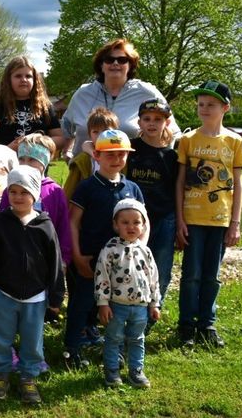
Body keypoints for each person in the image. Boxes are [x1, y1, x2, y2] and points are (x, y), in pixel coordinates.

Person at [176, 80, 242, 348]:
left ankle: (207, 324)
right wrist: (180, 220)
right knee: (191, 275)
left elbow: (238, 184)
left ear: (225, 107)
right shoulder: (187, 140)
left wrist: (235, 223)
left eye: (211, 105)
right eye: (201, 104)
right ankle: (186, 326)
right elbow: (180, 181)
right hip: (193, 220)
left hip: (220, 220)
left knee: (212, 276)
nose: (204, 109)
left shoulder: (234, 141)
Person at [0, 167, 64, 404]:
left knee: (32, 340)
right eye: (14, 191)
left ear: (35, 194)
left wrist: (56, 296)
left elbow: (55, 262)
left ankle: (28, 378)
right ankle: (1, 375)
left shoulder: (45, 225)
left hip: (35, 297)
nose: (18, 197)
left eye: (24, 192)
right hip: (1, 295)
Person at [65, 129, 145, 369]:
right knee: (82, 304)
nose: (116, 159)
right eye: (110, 154)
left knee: (116, 306)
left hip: (121, 264)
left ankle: (113, 349)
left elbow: (144, 222)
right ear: (97, 155)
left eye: (122, 154)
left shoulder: (132, 187)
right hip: (90, 259)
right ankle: (72, 349)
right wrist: (77, 256)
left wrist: (140, 249)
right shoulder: (88, 186)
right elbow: (73, 222)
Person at [61, 38, 179, 157]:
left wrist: (161, 160)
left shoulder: (147, 92)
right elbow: (65, 130)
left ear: (130, 65)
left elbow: (172, 131)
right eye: (109, 59)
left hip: (133, 171)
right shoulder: (83, 94)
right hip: (86, 171)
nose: (115, 63)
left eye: (122, 60)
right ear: (101, 65)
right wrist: (68, 153)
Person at [95, 199, 160, 389]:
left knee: (137, 339)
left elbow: (153, 278)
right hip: (117, 305)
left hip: (140, 306)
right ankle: (112, 371)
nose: (131, 226)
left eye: (136, 222)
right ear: (116, 225)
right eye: (125, 222)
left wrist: (154, 303)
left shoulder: (145, 251)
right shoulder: (110, 249)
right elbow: (102, 276)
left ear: (143, 225)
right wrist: (103, 303)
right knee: (113, 337)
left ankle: (136, 371)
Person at [125, 99, 178, 321]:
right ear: (139, 122)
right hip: (132, 219)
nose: (152, 123)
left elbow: (177, 190)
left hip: (164, 218)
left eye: (158, 119)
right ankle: (128, 314)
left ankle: (151, 314)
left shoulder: (171, 156)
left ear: (166, 122)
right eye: (147, 119)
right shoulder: (130, 148)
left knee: (160, 268)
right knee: (129, 268)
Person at [0, 134, 73, 271]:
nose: (26, 164)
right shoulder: (10, 189)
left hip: (45, 261)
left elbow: (63, 228)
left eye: (32, 160)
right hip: (12, 259)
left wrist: (63, 259)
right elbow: (1, 222)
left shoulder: (54, 192)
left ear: (45, 161)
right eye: (21, 159)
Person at [0, 56, 65, 149]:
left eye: (28, 76)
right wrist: (8, 149)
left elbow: (60, 139)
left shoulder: (44, 106)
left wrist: (37, 142)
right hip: (5, 161)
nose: (24, 79)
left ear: (35, 80)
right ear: (8, 80)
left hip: (36, 162)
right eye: (18, 76)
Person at [64, 107, 119, 200]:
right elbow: (69, 190)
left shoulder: (121, 156)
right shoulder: (82, 160)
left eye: (106, 131)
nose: (101, 135)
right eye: (95, 132)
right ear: (90, 135)